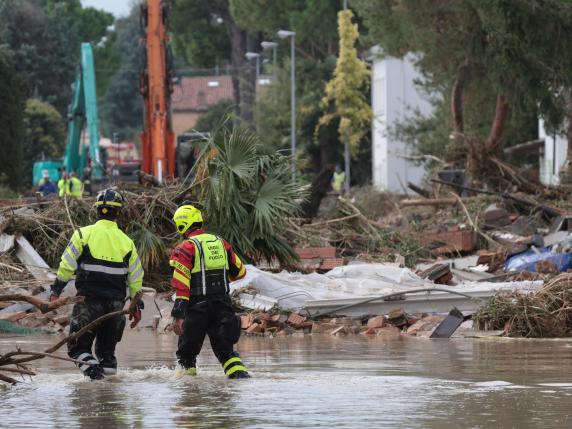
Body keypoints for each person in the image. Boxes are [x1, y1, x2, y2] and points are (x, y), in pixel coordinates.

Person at [49, 188, 144, 380]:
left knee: (77, 348)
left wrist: (56, 290)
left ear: (97, 210)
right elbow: (136, 278)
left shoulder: (83, 235)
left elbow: (66, 265)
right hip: (116, 306)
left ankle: (96, 380)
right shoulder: (127, 242)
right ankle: (110, 396)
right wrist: (137, 307)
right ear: (118, 212)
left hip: (88, 302)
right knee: (107, 355)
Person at [170, 204, 250, 379]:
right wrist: (218, 280)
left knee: (186, 356)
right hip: (223, 305)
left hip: (197, 309)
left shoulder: (186, 248)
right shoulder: (221, 243)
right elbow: (241, 272)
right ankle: (240, 379)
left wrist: (178, 315)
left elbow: (182, 285)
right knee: (227, 352)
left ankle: (189, 394)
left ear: (181, 225)